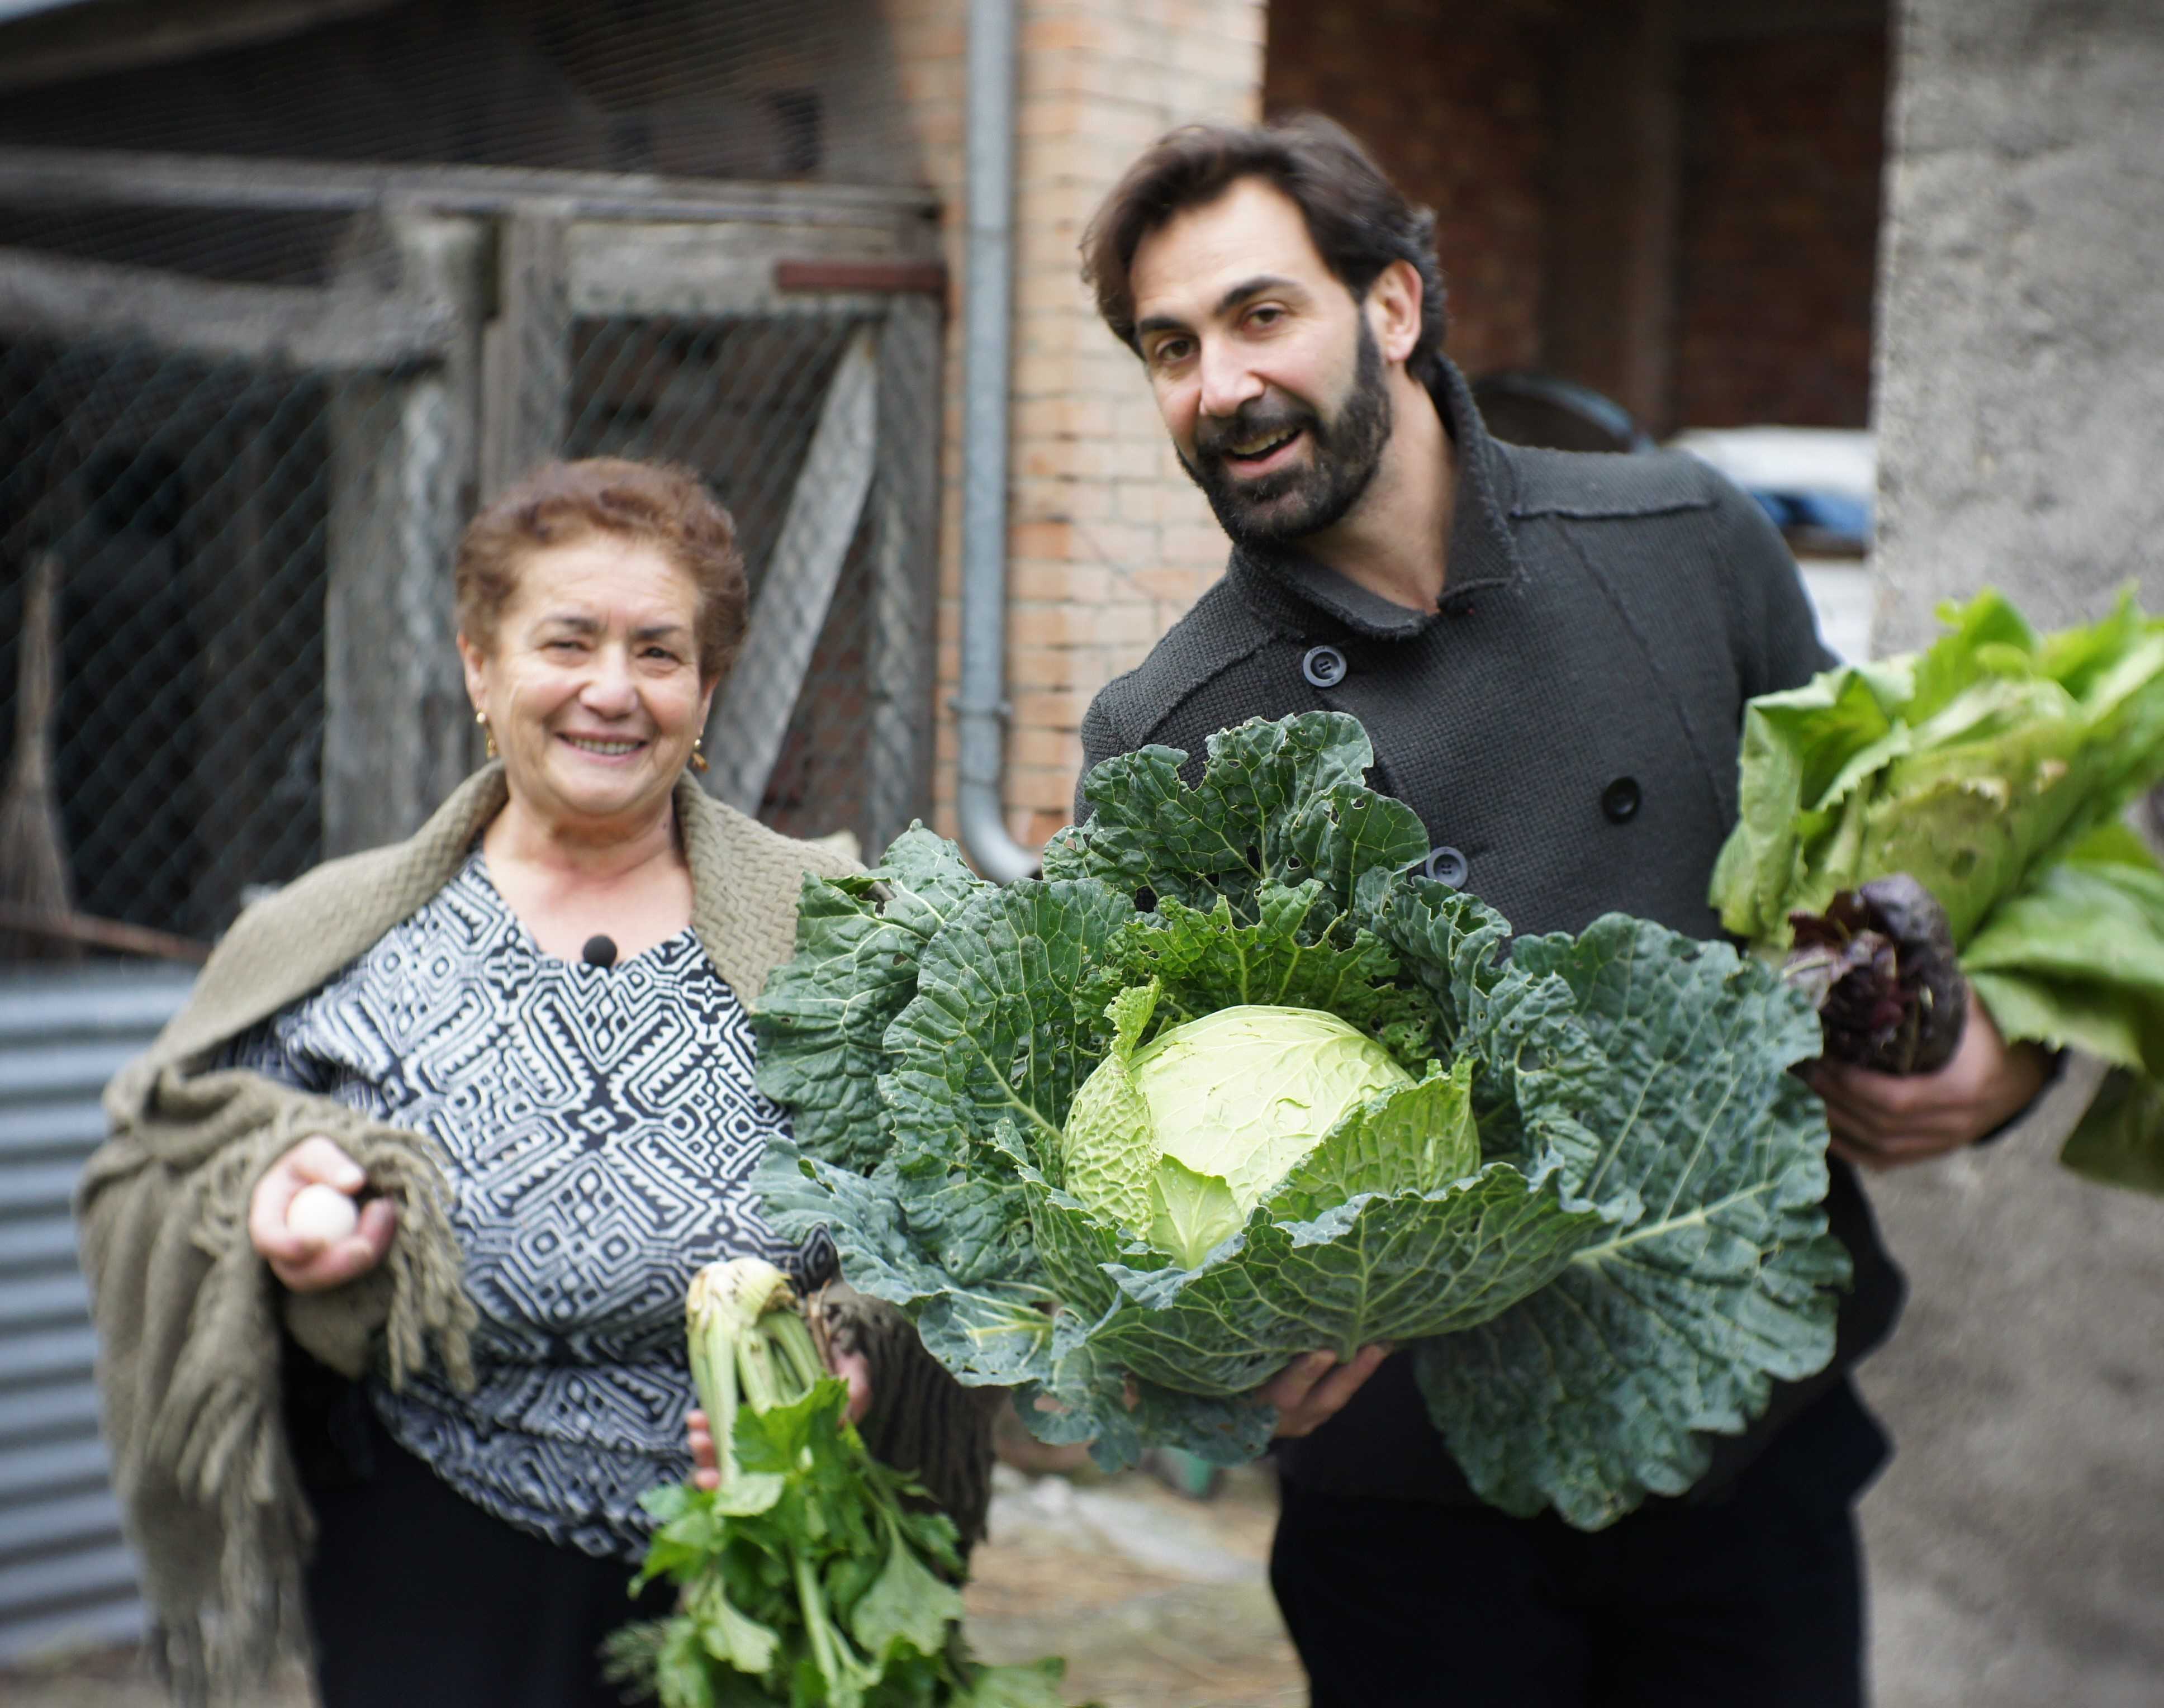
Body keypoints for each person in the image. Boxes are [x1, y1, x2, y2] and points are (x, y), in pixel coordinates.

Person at [1072, 117, 2057, 1706]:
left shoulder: (1684, 546)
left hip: (1741, 1453)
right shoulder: (1167, 728)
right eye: (1169, 348)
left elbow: (1880, 873)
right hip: (1414, 1519)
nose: (1220, 387)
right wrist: (1199, 1346)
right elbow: (1123, 1132)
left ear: (1393, 306)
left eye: (1262, 316)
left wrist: (2003, 1054)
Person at [79, 459, 992, 1708]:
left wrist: (857, 1356)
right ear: (480, 667)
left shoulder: (837, 928)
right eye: (568, 642)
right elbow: (167, 1152)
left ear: (706, 690)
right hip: (424, 1561)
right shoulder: (336, 935)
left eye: (659, 653)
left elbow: (952, 1209)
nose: (612, 690)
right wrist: (267, 1196)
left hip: (767, 1559)